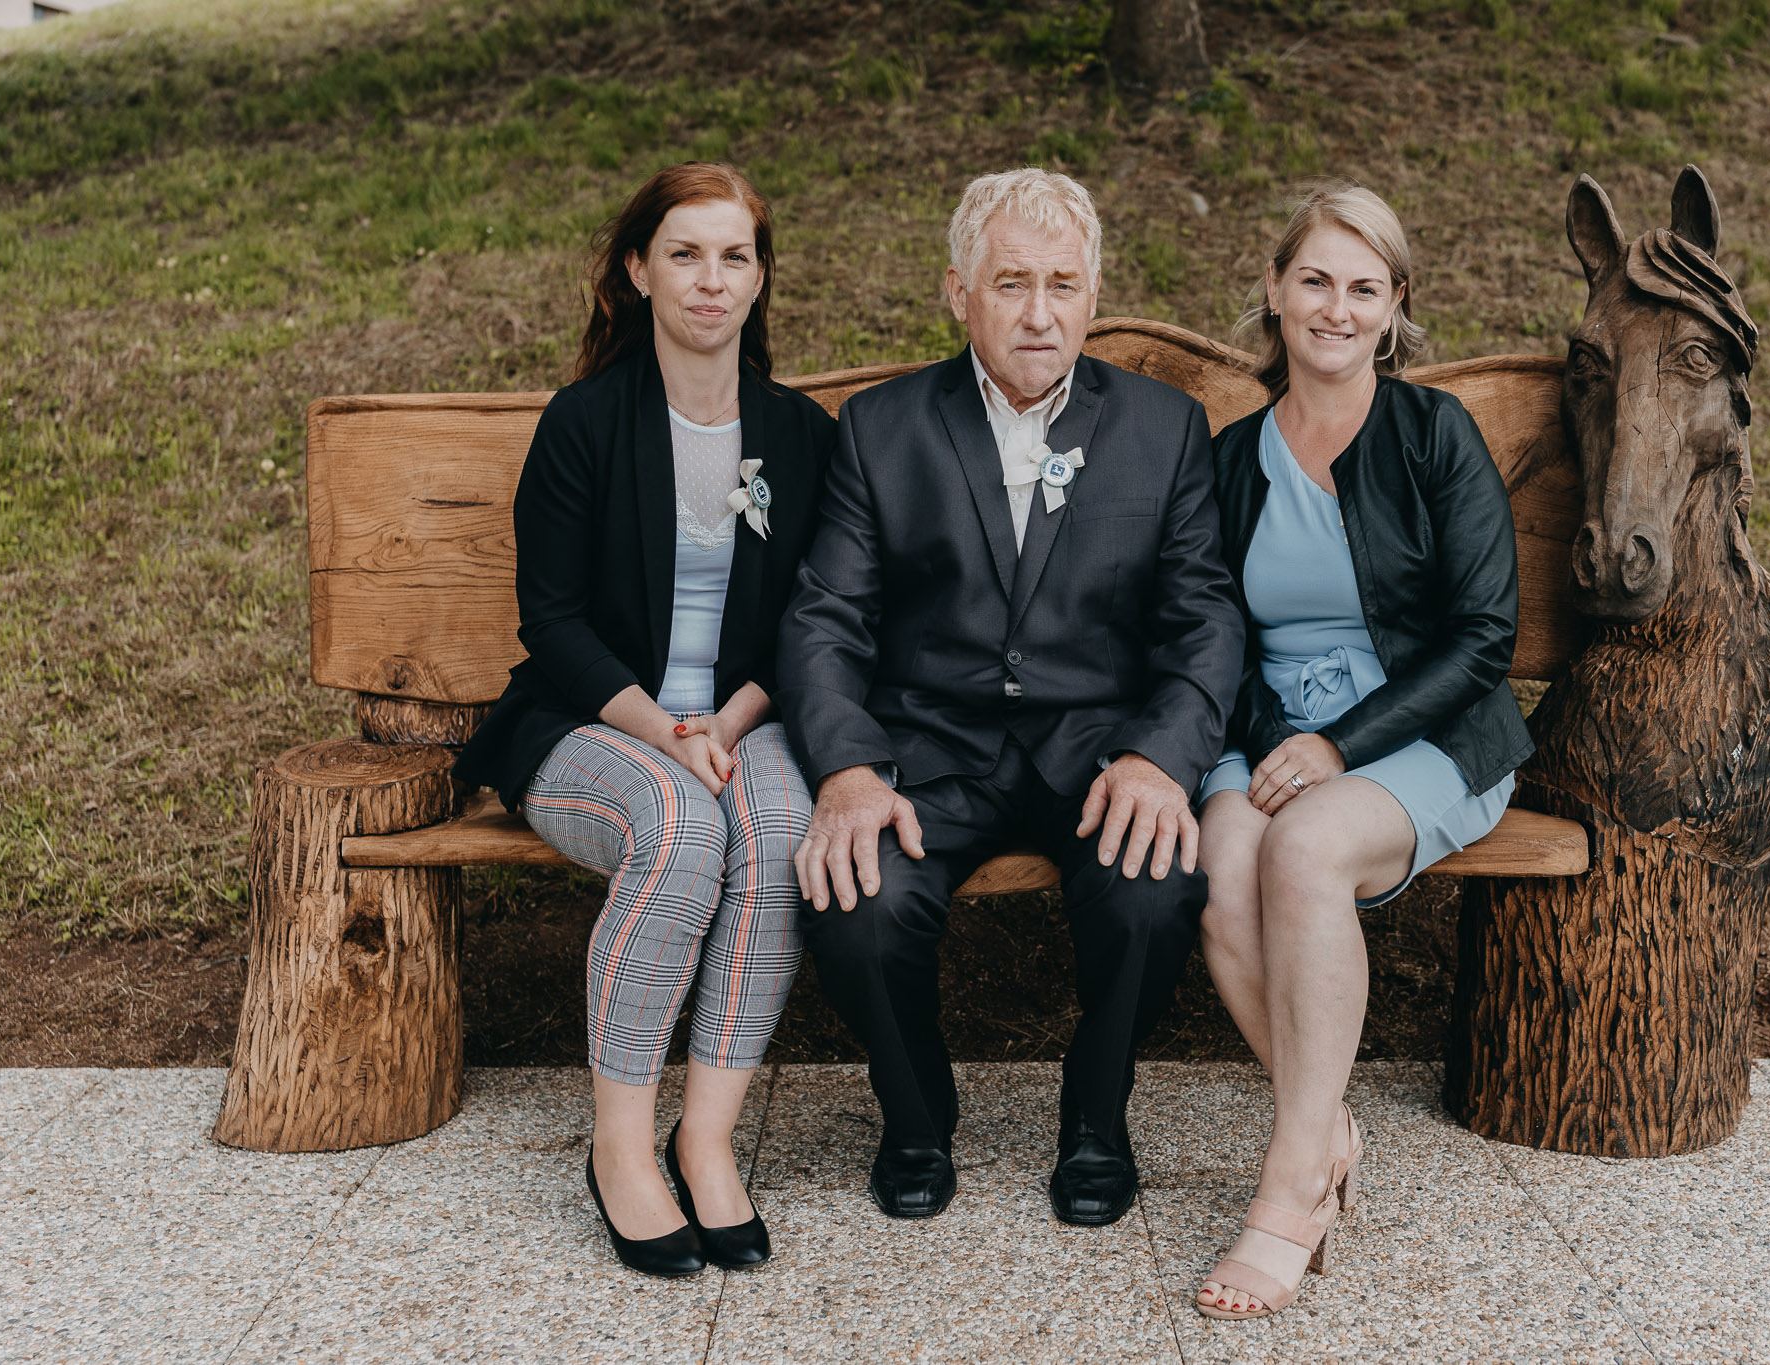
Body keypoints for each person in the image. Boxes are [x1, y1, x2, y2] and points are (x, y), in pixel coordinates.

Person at [777, 168, 1244, 1226]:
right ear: (958, 291)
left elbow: (1204, 621)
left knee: (1156, 888)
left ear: (1093, 294)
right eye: (1011, 283)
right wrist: (847, 769)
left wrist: (1159, 759)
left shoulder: (1164, 428)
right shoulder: (882, 428)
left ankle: (1095, 1116)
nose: (1040, 313)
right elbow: (824, 620)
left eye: (1063, 285)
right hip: (930, 752)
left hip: (1097, 753)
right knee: (854, 900)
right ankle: (913, 1116)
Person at [453, 162, 834, 1277]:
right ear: (638, 270)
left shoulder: (798, 435)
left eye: (734, 256)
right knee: (679, 827)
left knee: (776, 833)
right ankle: (620, 1147)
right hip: (592, 721)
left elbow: (811, 618)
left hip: (746, 718)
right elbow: (552, 620)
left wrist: (728, 722)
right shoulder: (584, 423)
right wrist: (664, 732)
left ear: (759, 278)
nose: (711, 280)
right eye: (684, 255)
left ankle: (704, 1140)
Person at [1191, 184, 1531, 1319]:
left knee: (1303, 850)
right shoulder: (1232, 460)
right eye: (1315, 280)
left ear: (1394, 308)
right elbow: (1213, 636)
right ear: (1275, 291)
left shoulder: (1434, 435)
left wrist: (1338, 748)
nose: (1336, 308)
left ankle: (1292, 1189)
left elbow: (1482, 636)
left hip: (1424, 732)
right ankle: (1327, 1124)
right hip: (1270, 732)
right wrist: (1274, 747)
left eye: (1363, 288)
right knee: (1221, 864)